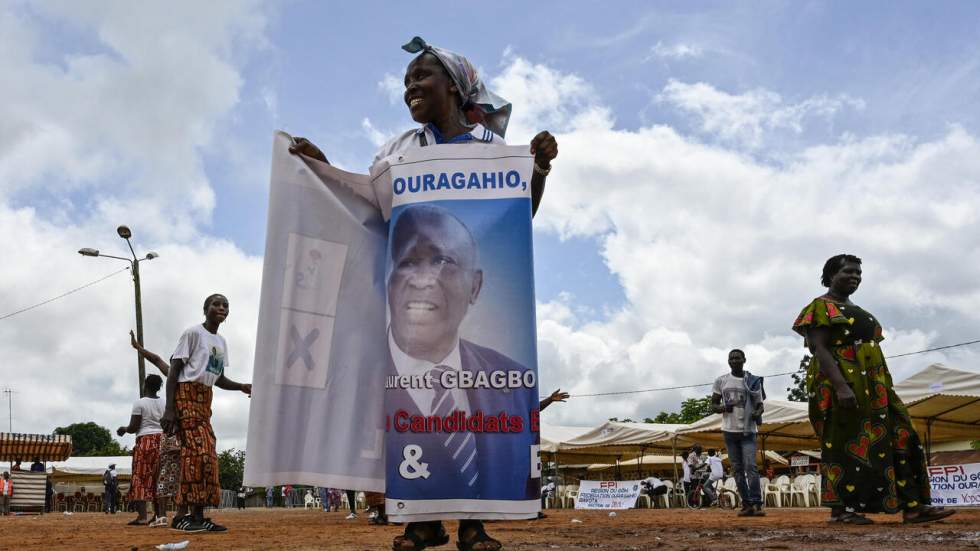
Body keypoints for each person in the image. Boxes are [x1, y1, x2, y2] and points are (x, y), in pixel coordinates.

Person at [291, 37, 557, 551]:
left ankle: (474, 525)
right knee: (409, 416)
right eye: (407, 80)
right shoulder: (397, 152)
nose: (409, 86)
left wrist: (539, 170)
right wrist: (324, 168)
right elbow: (368, 209)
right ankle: (421, 523)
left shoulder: (492, 155)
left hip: (456, 320)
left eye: (422, 77)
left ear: (454, 88)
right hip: (404, 326)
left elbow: (518, 214)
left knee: (475, 414)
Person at [793, 254, 954, 525]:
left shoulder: (855, 308)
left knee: (901, 433)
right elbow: (819, 349)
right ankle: (840, 510)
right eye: (848, 272)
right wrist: (842, 387)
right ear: (831, 274)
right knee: (845, 442)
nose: (855, 277)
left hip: (875, 386)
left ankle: (913, 506)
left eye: (858, 273)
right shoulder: (820, 307)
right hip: (841, 383)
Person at [160, 293, 252, 533]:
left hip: (204, 401)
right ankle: (181, 516)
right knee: (198, 454)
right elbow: (174, 371)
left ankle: (198, 517)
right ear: (206, 309)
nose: (222, 308)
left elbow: (218, 377)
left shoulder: (221, 342)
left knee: (207, 457)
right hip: (185, 397)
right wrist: (170, 409)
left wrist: (241, 386)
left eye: (226, 305)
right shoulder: (192, 333)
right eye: (216, 304)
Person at [130, 331, 184, 528]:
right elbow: (157, 359)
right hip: (172, 435)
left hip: (157, 437)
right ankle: (168, 514)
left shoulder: (176, 380)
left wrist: (138, 348)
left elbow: (157, 359)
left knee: (151, 476)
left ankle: (152, 516)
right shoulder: (172, 392)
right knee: (166, 476)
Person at [711, 349, 765, 516]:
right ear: (728, 361)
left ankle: (757, 503)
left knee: (751, 466)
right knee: (737, 469)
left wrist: (758, 413)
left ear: (744, 360)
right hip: (729, 431)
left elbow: (760, 404)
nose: (734, 360)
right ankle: (747, 504)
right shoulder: (721, 381)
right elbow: (713, 405)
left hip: (748, 431)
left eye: (737, 358)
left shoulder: (753, 381)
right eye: (731, 358)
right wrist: (721, 408)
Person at [118, 374, 168, 526]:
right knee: (159, 478)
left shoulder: (139, 403)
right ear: (159, 387)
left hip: (145, 441)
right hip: (162, 440)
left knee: (139, 478)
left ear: (145, 385)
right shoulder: (165, 403)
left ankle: (142, 517)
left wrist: (124, 429)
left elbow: (134, 427)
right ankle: (160, 516)